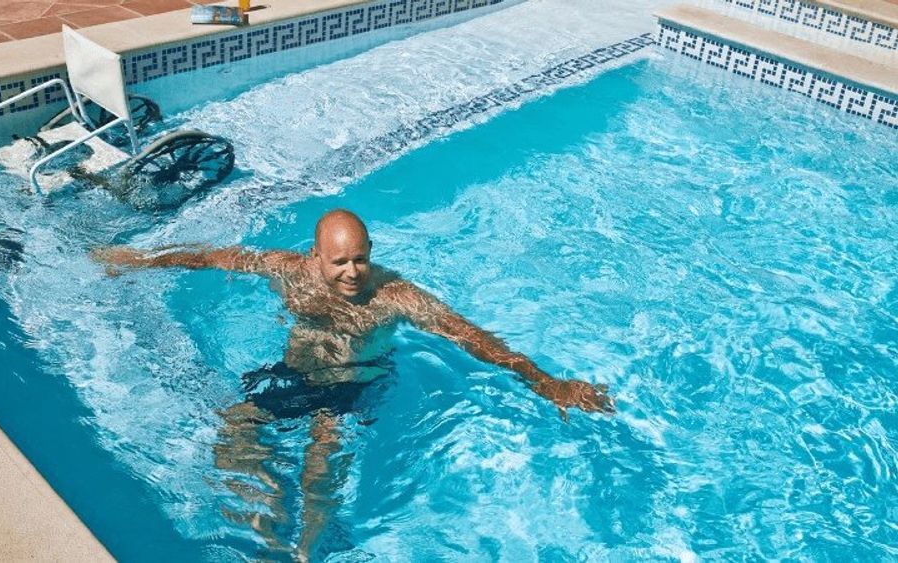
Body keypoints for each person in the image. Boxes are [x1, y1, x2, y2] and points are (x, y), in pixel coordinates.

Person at [91, 208, 613, 558]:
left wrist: (545, 382)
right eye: (338, 261)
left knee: (321, 464)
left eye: (360, 258)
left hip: (352, 388)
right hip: (294, 376)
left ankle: (306, 552)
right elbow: (213, 256)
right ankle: (265, 528)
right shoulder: (288, 270)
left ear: (371, 251)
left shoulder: (396, 297)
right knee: (236, 433)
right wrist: (138, 261)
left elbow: (470, 337)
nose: (351, 272)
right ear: (316, 256)